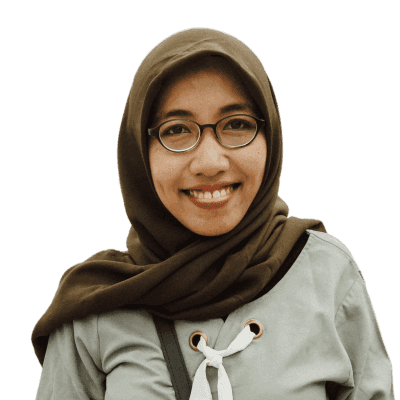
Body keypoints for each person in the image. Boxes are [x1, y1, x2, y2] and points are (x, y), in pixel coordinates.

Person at [32, 27, 395, 399]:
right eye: (176, 130)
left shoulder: (327, 277)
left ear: (271, 136)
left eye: (237, 124)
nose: (209, 162)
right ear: (139, 152)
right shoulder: (94, 307)